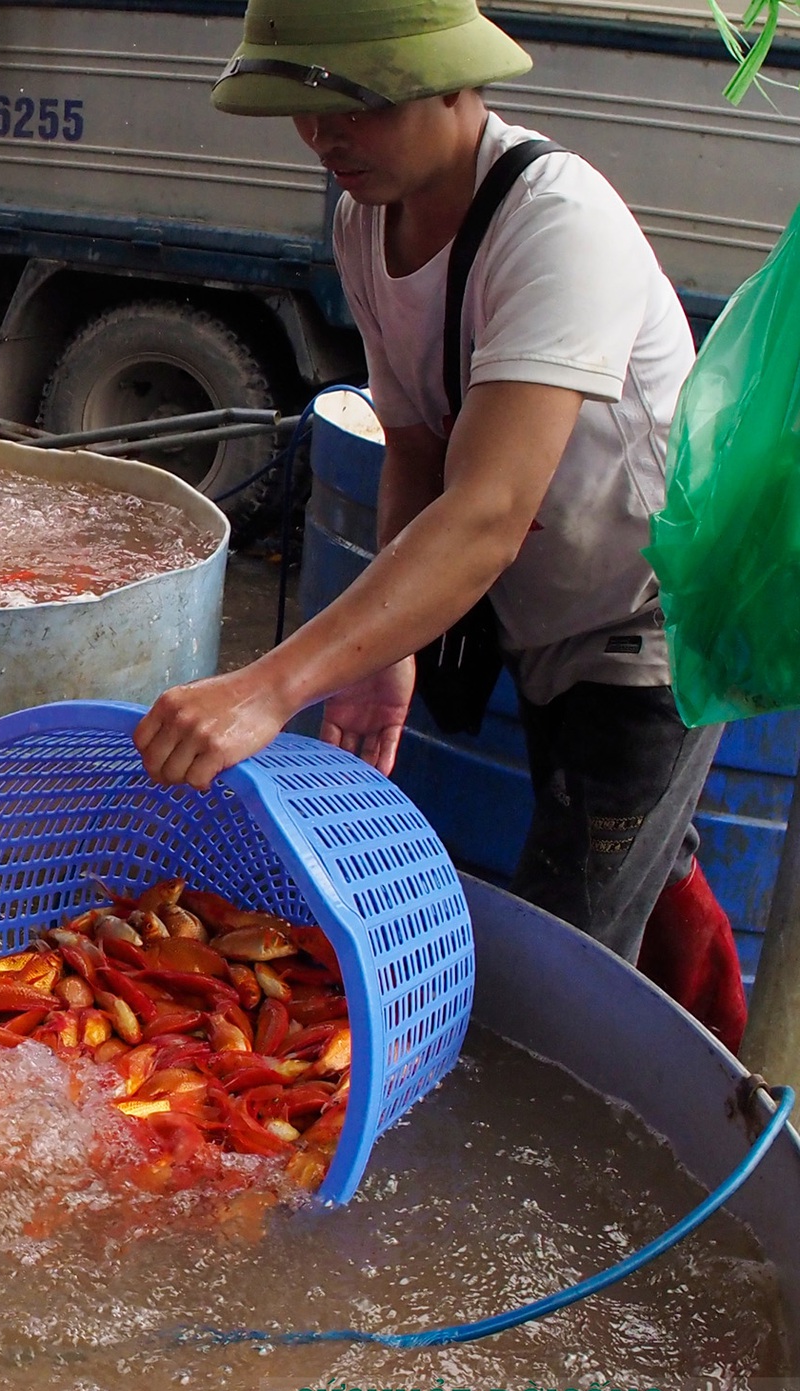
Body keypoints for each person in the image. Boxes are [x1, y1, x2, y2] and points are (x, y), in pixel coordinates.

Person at [134, 0, 746, 1044]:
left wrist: (270, 685)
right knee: (638, 850)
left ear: (457, 82)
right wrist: (383, 655)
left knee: (575, 935)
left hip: (645, 611)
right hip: (529, 596)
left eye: (358, 104)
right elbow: (413, 441)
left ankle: (677, 1108)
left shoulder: (559, 226)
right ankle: (707, 1043)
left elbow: (489, 511)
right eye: (302, 107)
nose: (327, 138)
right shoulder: (362, 219)